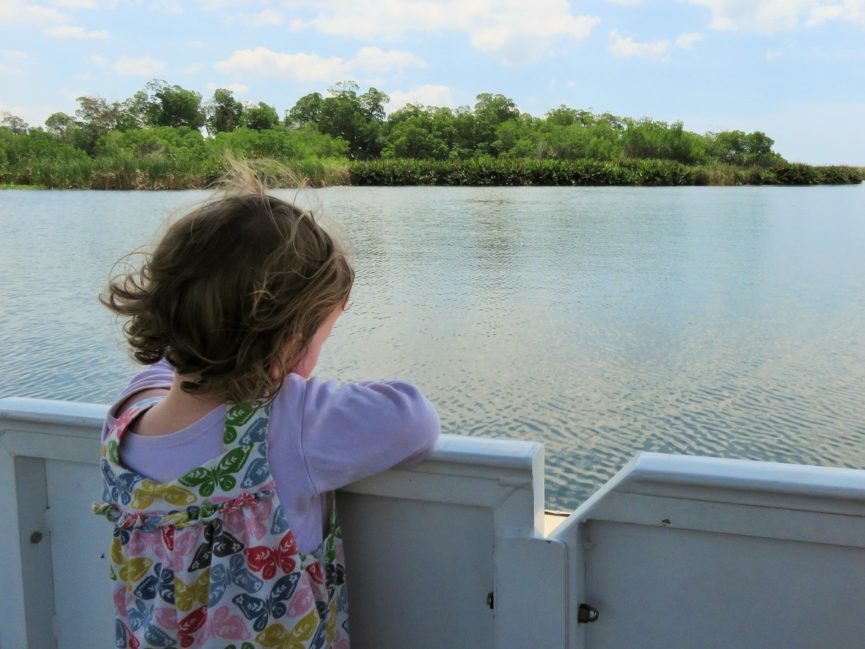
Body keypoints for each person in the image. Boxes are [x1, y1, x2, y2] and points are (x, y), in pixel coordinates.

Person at [93, 173, 440, 649]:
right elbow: (414, 420)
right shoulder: (285, 425)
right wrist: (294, 382)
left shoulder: (126, 418)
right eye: (322, 338)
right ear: (287, 341)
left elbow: (160, 370)